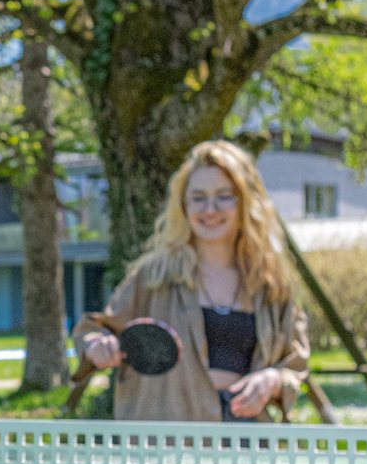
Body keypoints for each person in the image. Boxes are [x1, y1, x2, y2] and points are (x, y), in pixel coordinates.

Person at [74, 140, 310, 423]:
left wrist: (273, 380)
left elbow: (294, 365)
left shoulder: (271, 284)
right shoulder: (153, 276)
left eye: (224, 196)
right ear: (184, 205)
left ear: (246, 202)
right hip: (166, 443)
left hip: (246, 443)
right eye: (198, 197)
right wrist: (97, 344)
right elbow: (93, 329)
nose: (210, 209)